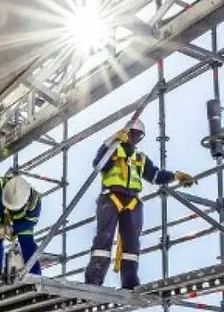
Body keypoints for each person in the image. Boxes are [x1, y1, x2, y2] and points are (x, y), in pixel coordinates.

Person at [83, 119, 196, 290]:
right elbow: (98, 163)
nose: (134, 138)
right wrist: (110, 142)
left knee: (132, 243)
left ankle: (130, 282)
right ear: (125, 133)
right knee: (104, 238)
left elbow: (155, 175)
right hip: (111, 196)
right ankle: (94, 279)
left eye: (137, 135)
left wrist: (176, 176)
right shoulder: (113, 151)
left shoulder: (141, 158)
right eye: (132, 134)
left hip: (133, 201)